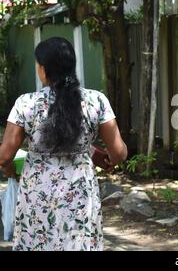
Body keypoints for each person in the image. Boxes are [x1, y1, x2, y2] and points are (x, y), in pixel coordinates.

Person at [0, 37, 127, 251]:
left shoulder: (26, 103)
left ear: (43, 69)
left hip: (37, 195)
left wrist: (9, 167)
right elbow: (119, 153)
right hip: (80, 194)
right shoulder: (96, 101)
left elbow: (5, 156)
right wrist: (106, 158)